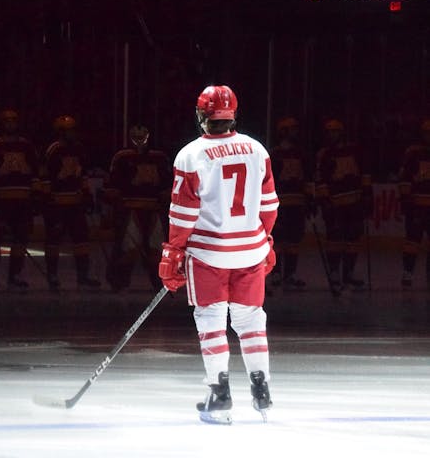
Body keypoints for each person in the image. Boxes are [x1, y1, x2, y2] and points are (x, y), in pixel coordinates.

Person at [158, 85, 278, 425]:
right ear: (233, 114)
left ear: (201, 115)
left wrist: (173, 251)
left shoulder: (191, 155)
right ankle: (261, 389)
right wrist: (265, 239)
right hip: (250, 251)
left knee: (211, 319)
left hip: (209, 253)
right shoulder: (257, 149)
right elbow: (269, 205)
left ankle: (220, 394)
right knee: (251, 319)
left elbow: (183, 214)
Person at [103, 124, 171, 292]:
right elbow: (113, 182)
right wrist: (114, 201)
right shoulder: (122, 157)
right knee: (129, 247)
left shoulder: (159, 157)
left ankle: (158, 281)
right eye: (136, 138)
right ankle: (119, 280)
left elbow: (168, 181)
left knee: (156, 247)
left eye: (142, 138)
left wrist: (166, 196)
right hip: (130, 208)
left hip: (154, 209)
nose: (140, 141)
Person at [39, 115, 100, 291]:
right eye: (69, 131)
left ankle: (82, 277)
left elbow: (83, 175)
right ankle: (52, 275)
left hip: (75, 203)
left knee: (81, 240)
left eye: (73, 130)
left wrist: (86, 194)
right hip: (57, 203)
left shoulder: (79, 149)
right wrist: (46, 197)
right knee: (54, 240)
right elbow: (45, 176)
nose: (72, 133)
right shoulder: (53, 150)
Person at [0, 109, 40, 291]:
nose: (11, 124)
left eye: (13, 121)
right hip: (1, 200)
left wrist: (36, 195)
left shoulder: (27, 146)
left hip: (23, 201)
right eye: (7, 121)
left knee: (20, 239)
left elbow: (35, 172)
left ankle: (15, 274)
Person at [314, 118, 372, 294]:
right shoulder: (324, 154)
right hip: (335, 204)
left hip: (354, 202)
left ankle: (348, 273)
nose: (332, 135)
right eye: (329, 133)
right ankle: (334, 272)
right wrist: (325, 201)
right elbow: (320, 179)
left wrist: (367, 196)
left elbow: (364, 173)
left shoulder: (355, 151)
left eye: (335, 132)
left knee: (353, 240)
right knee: (334, 240)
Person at [269, 117, 311, 290]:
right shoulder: (274, 154)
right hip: (280, 201)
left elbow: (307, 177)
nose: (295, 133)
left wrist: (310, 198)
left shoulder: (301, 154)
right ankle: (276, 271)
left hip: (297, 200)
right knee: (279, 238)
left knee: (294, 238)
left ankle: (290, 273)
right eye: (291, 129)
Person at [397, 118, 430, 289]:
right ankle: (407, 272)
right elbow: (405, 177)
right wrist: (405, 199)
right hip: (417, 205)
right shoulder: (413, 152)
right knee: (412, 241)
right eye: (427, 133)